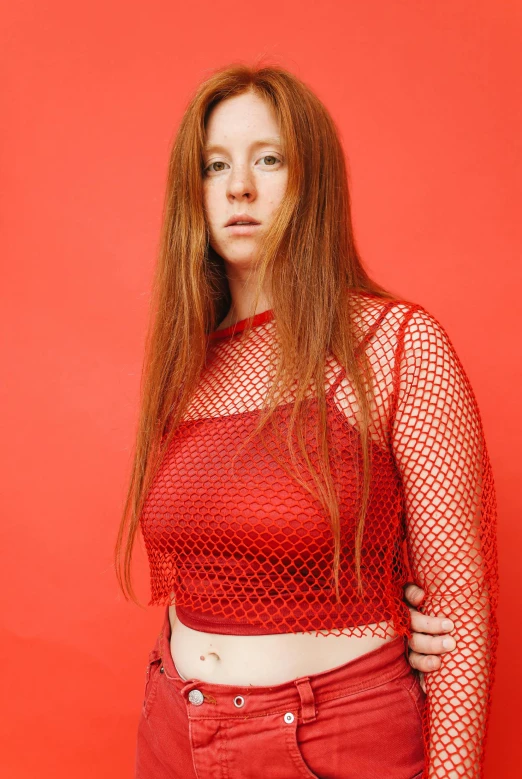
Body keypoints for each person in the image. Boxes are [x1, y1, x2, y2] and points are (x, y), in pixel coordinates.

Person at [115, 64, 499, 779]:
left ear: (311, 180)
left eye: (269, 159)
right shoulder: (187, 365)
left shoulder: (394, 343)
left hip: (333, 740)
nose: (239, 188)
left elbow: (460, 614)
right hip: (174, 733)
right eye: (214, 165)